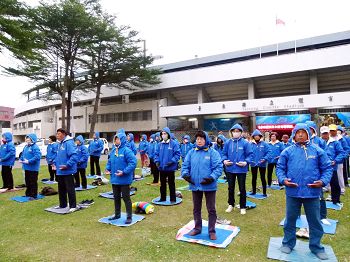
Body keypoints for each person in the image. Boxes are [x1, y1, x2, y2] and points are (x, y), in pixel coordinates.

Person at [276, 123, 332, 260]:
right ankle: (288, 243)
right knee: (290, 220)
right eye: (297, 132)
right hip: (293, 192)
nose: (300, 134)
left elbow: (327, 168)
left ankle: (316, 247)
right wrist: (283, 180)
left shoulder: (317, 150)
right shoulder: (287, 151)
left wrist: (323, 181)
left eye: (303, 132)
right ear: (294, 135)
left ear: (308, 133)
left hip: (312, 193)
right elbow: (280, 168)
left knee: (315, 221)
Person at [181, 130, 223, 240]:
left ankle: (212, 231)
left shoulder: (212, 152)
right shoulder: (191, 152)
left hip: (209, 185)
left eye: (201, 139)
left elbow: (218, 167)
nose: (199, 141)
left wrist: (212, 178)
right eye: (198, 139)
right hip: (195, 185)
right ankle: (197, 228)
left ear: (206, 140)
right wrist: (186, 175)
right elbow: (185, 165)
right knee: (196, 208)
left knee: (211, 209)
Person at [105, 131, 137, 224]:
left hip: (124, 180)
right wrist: (108, 169)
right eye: (115, 139)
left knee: (126, 198)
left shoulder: (127, 150)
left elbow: (133, 163)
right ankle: (117, 214)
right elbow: (109, 161)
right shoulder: (113, 150)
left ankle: (129, 216)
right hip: (115, 179)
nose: (116, 141)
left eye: (118, 139)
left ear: (122, 140)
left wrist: (124, 172)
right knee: (116, 198)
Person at [222, 124, 252, 215]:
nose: (236, 133)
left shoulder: (245, 143)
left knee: (242, 188)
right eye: (234, 131)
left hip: (241, 169)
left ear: (241, 132)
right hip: (230, 169)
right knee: (230, 188)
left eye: (237, 131)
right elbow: (224, 154)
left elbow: (250, 155)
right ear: (231, 132)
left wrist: (246, 162)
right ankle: (231, 204)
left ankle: (243, 206)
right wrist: (224, 161)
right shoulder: (228, 142)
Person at [54, 128, 79, 212]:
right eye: (56, 134)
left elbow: (74, 156)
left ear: (64, 134)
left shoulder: (69, 143)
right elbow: (58, 156)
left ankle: (73, 206)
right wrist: (54, 164)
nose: (57, 135)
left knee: (70, 188)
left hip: (68, 171)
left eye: (59, 134)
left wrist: (67, 165)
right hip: (60, 171)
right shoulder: (59, 144)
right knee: (61, 189)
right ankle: (62, 204)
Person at [154, 127, 181, 202]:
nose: (163, 135)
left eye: (165, 133)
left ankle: (173, 199)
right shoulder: (159, 144)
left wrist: (172, 161)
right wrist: (157, 161)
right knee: (162, 184)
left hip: (170, 168)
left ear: (168, 134)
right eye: (162, 134)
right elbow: (156, 154)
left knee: (171, 184)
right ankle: (162, 198)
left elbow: (177, 154)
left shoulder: (174, 144)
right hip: (162, 168)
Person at [320, 126, 345, 207]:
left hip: (331, 167)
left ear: (329, 133)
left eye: (326, 133)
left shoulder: (335, 142)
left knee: (334, 184)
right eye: (323, 133)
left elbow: (341, 153)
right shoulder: (320, 142)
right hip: (321, 167)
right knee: (319, 183)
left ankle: (336, 200)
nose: (325, 135)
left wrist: (335, 160)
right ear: (321, 134)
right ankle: (319, 200)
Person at [19, 134, 41, 199]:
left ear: (32, 139)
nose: (26, 139)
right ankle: (28, 194)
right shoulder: (26, 146)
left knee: (33, 182)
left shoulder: (35, 147)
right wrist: (21, 159)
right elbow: (23, 154)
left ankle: (34, 195)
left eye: (28, 138)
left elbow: (38, 156)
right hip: (26, 167)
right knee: (27, 181)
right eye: (26, 138)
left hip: (33, 168)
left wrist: (29, 161)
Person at [329, 124, 349, 195]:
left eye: (333, 130)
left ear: (336, 131)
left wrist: (344, 156)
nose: (332, 132)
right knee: (330, 175)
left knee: (340, 175)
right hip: (330, 161)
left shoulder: (341, 139)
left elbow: (346, 149)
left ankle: (342, 189)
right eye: (330, 130)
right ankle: (331, 189)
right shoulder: (328, 138)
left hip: (339, 161)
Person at [250, 129, 271, 196]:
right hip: (253, 164)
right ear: (253, 136)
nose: (256, 137)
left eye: (257, 136)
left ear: (260, 136)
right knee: (254, 178)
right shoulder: (251, 144)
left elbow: (269, 152)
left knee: (262, 178)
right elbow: (248, 153)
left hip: (262, 164)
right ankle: (253, 191)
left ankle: (264, 192)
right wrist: (250, 160)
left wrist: (264, 159)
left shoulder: (264, 144)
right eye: (255, 136)